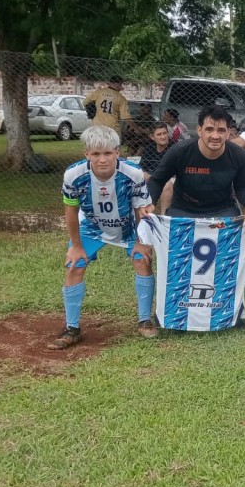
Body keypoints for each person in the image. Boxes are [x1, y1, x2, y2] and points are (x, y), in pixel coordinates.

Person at [54, 126, 155, 349]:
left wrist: (141, 242)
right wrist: (76, 246)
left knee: (143, 260)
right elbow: (70, 212)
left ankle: (144, 320)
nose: (102, 160)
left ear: (117, 153)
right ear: (86, 154)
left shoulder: (133, 174)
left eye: (108, 153)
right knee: (75, 265)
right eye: (96, 154)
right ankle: (72, 328)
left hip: (127, 227)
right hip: (91, 227)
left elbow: (142, 210)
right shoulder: (73, 175)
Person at [145, 105, 245, 222]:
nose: (215, 136)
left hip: (223, 210)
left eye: (221, 130)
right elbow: (157, 180)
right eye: (209, 129)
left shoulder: (238, 154)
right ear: (199, 130)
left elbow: (242, 186)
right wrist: (150, 203)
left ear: (228, 133)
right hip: (183, 210)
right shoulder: (179, 152)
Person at [139, 122, 174, 213]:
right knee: (140, 176)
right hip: (153, 176)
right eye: (159, 134)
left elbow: (173, 171)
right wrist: (144, 173)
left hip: (170, 178)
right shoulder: (150, 148)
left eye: (165, 133)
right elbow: (142, 166)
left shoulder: (174, 148)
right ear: (152, 137)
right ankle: (145, 212)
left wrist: (152, 176)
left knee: (167, 185)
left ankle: (163, 216)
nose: (163, 137)